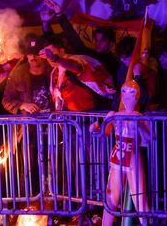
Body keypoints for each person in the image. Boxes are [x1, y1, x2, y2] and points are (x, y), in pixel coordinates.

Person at [90, 80, 151, 226]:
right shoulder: (114, 114)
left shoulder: (141, 116)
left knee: (140, 199)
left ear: (137, 96)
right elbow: (103, 133)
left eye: (131, 92)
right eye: (124, 91)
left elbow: (149, 140)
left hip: (133, 158)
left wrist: (139, 125)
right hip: (117, 157)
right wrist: (93, 130)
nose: (127, 95)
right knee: (111, 198)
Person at [2, 34, 52, 197]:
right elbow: (6, 100)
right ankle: (31, 202)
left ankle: (55, 202)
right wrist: (23, 104)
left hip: (54, 128)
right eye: (30, 53)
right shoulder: (18, 73)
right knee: (30, 166)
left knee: (55, 166)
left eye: (36, 53)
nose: (33, 57)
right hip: (29, 130)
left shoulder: (53, 70)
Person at [39, 39, 114, 111]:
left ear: (61, 51)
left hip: (91, 114)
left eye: (50, 53)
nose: (48, 58)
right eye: (47, 55)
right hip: (72, 118)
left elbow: (76, 67)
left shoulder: (75, 60)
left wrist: (54, 58)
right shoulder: (54, 72)